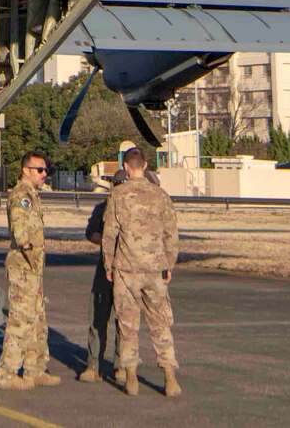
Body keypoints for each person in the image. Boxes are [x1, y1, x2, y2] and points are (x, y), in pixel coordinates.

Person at [101, 146, 181, 397]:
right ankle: (170, 377)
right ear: (145, 165)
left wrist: (108, 264)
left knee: (128, 326)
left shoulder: (118, 195)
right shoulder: (160, 195)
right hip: (155, 269)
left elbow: (109, 234)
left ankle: (131, 377)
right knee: (161, 324)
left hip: (127, 269)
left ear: (126, 167)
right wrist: (169, 263)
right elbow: (171, 234)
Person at [80, 157, 162, 380]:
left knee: (125, 320)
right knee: (98, 317)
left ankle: (121, 365)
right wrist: (109, 242)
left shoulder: (137, 208)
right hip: (107, 267)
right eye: (118, 185)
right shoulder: (103, 208)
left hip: (129, 269)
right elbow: (91, 233)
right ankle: (93, 365)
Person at [0, 151, 60, 391]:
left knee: (37, 320)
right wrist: (29, 251)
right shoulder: (22, 194)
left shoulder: (32, 194)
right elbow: (20, 229)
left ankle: (35, 369)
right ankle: (7, 373)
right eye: (39, 170)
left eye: (45, 170)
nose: (44, 174)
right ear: (26, 170)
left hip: (34, 267)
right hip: (23, 266)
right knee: (20, 320)